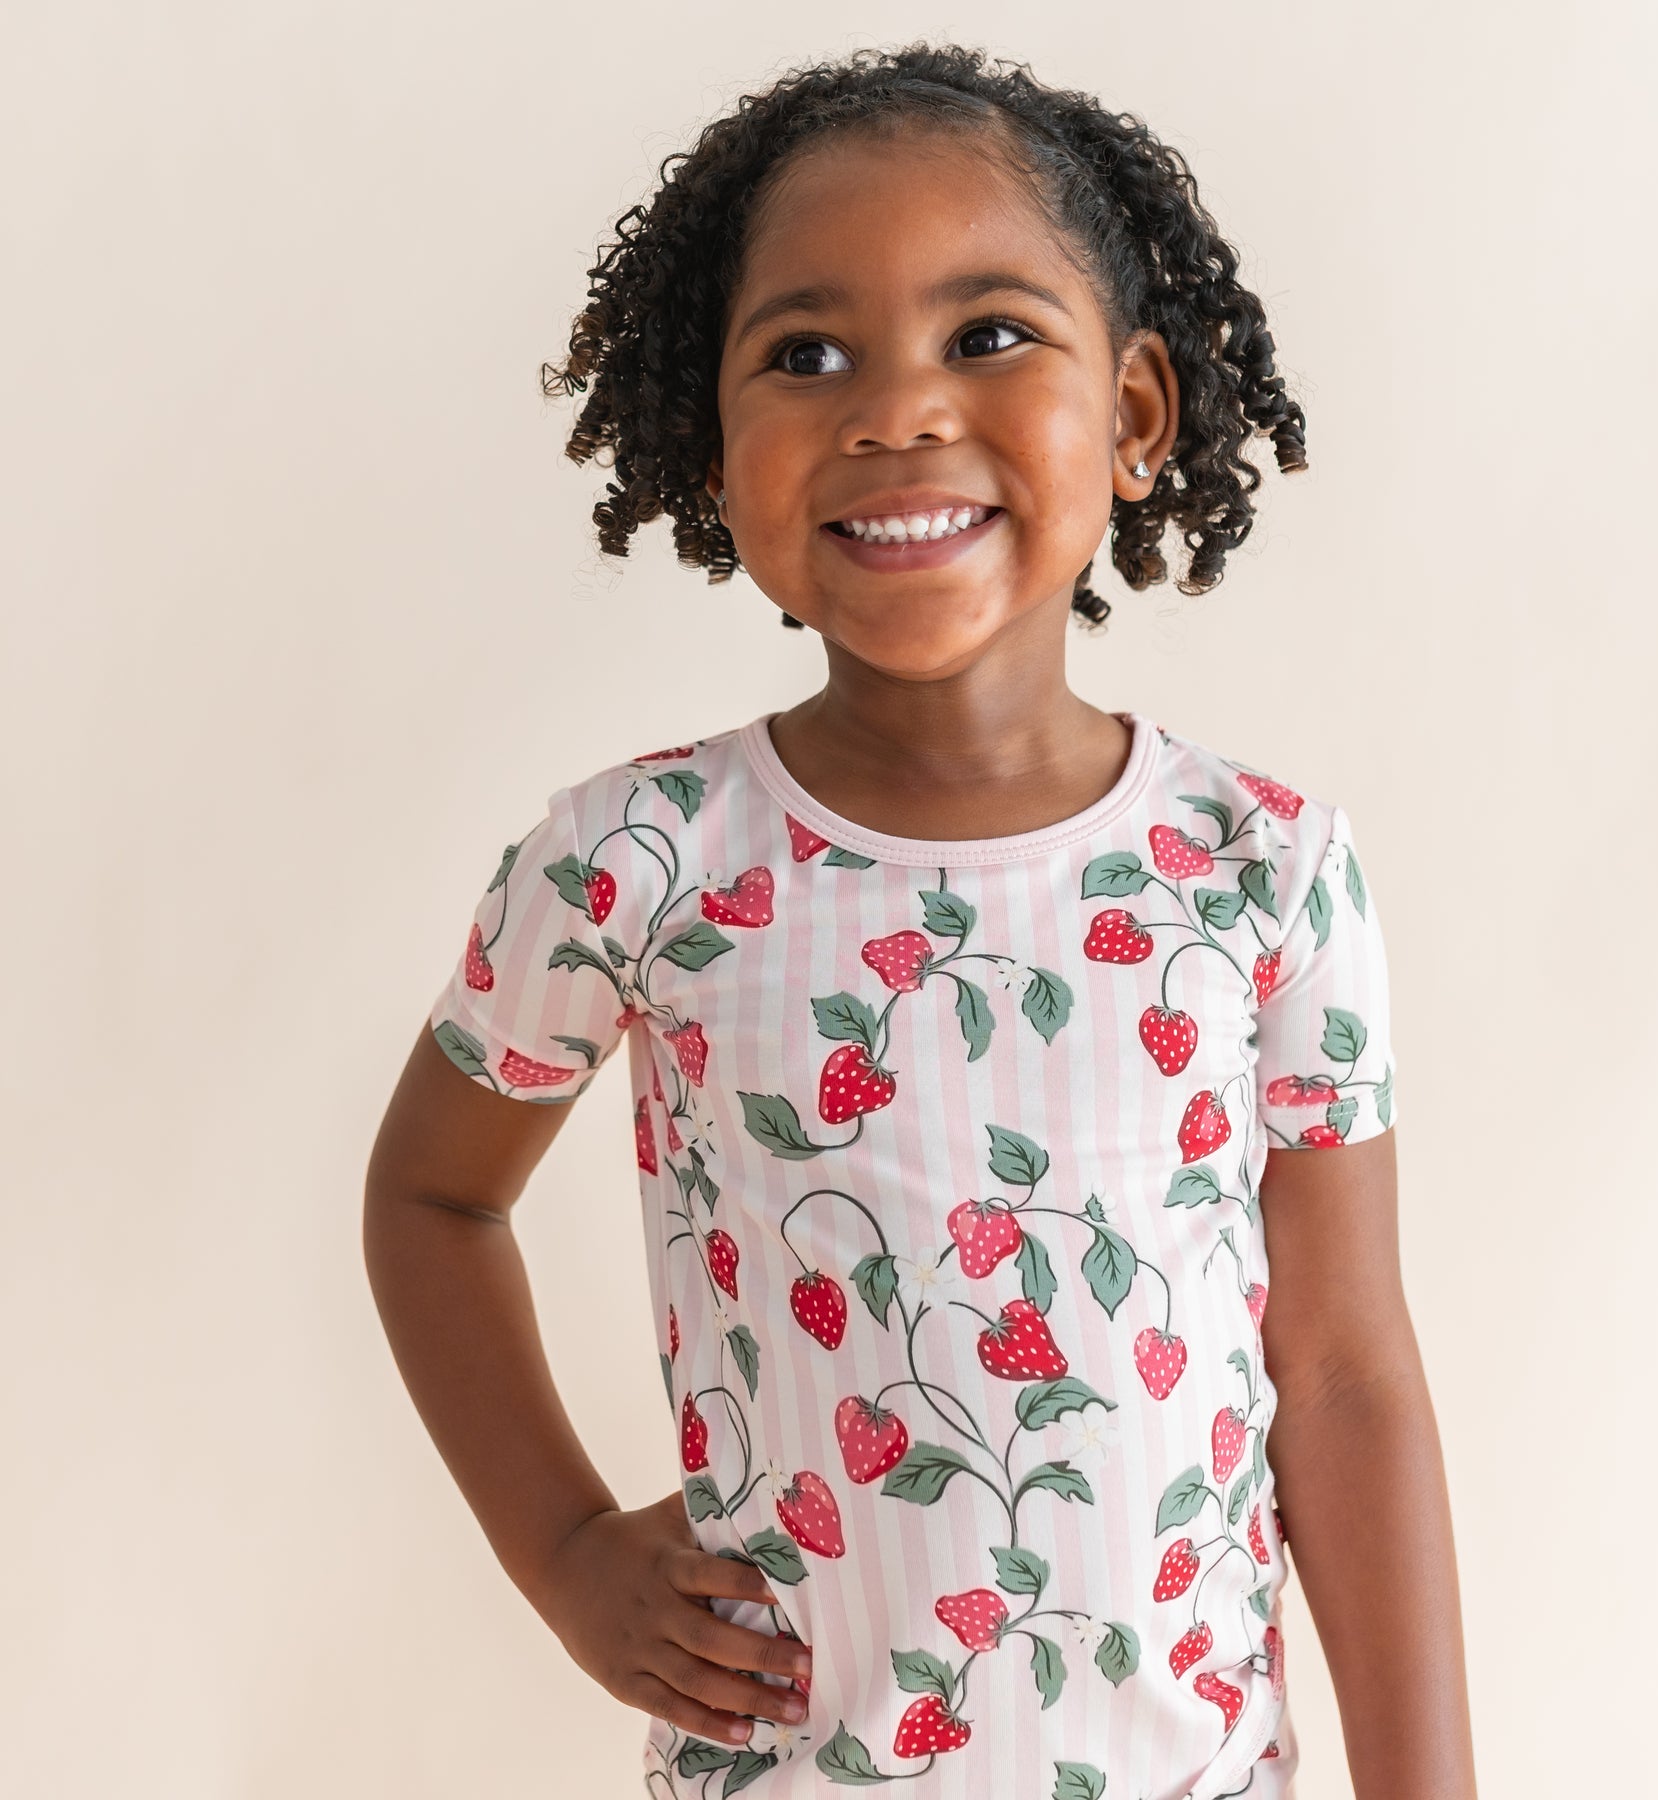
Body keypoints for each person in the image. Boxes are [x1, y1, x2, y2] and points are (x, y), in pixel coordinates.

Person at [363, 42, 1478, 1800]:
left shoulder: (1265, 868)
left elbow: (1342, 1378)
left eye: (988, 335)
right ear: (714, 445)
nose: (895, 411)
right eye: (807, 355)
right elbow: (432, 1197)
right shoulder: (635, 863)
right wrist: (568, 1552)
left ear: (1132, 418)